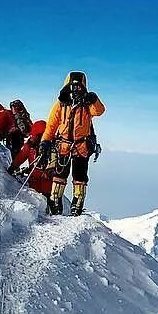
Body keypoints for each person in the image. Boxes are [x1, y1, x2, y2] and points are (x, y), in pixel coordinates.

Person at [36, 71, 105, 215]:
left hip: (81, 147)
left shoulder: (87, 105)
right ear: (67, 86)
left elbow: (99, 111)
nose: (76, 89)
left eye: (79, 87)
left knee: (80, 176)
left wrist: (93, 98)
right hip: (64, 146)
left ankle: (77, 205)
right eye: (73, 86)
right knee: (59, 175)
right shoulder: (60, 105)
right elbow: (51, 126)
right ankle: (55, 202)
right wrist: (45, 142)